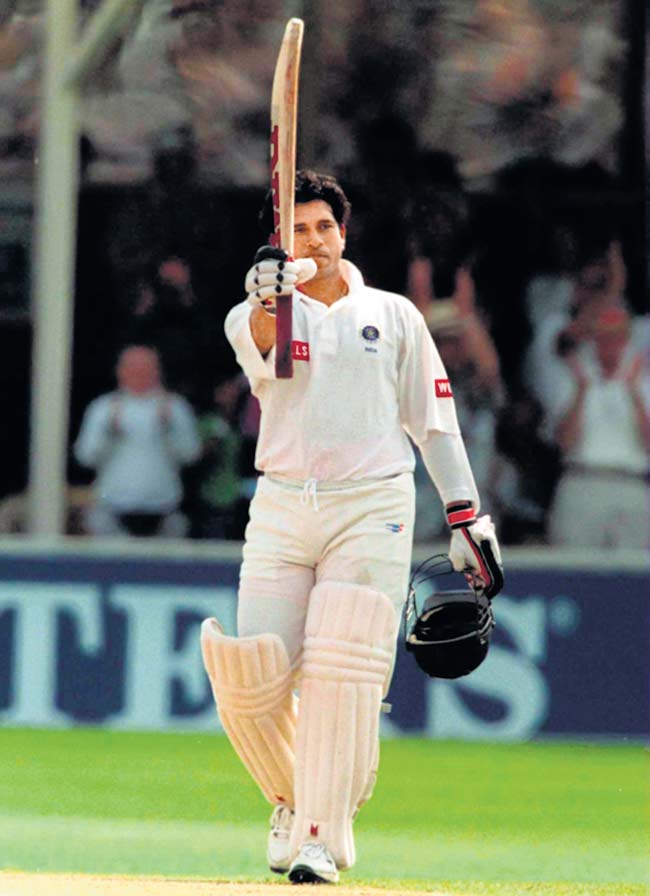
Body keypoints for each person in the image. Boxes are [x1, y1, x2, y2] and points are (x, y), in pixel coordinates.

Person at [200, 170, 503, 885]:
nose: (316, 241)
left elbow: (434, 423)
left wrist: (465, 515)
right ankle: (294, 799)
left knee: (342, 675)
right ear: (282, 242)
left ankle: (317, 836)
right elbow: (268, 343)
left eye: (325, 228)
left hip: (373, 505)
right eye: (299, 230)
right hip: (281, 505)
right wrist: (267, 291)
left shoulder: (395, 315)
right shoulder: (252, 316)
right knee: (254, 676)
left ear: (345, 232)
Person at [545, 305, 650, 549]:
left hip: (631, 484)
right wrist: (582, 391)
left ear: (626, 339)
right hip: (581, 481)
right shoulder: (573, 378)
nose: (608, 345)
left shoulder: (643, 382)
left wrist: (634, 394)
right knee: (572, 567)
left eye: (615, 337)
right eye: (602, 337)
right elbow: (564, 442)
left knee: (634, 574)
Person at [74, 344, 201, 537]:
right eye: (132, 367)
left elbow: (191, 455)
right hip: (112, 513)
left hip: (164, 514)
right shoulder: (102, 408)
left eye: (146, 367)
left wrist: (168, 431)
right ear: (120, 371)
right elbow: (85, 457)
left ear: (158, 371)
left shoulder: (176, 407)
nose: (139, 373)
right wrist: (110, 433)